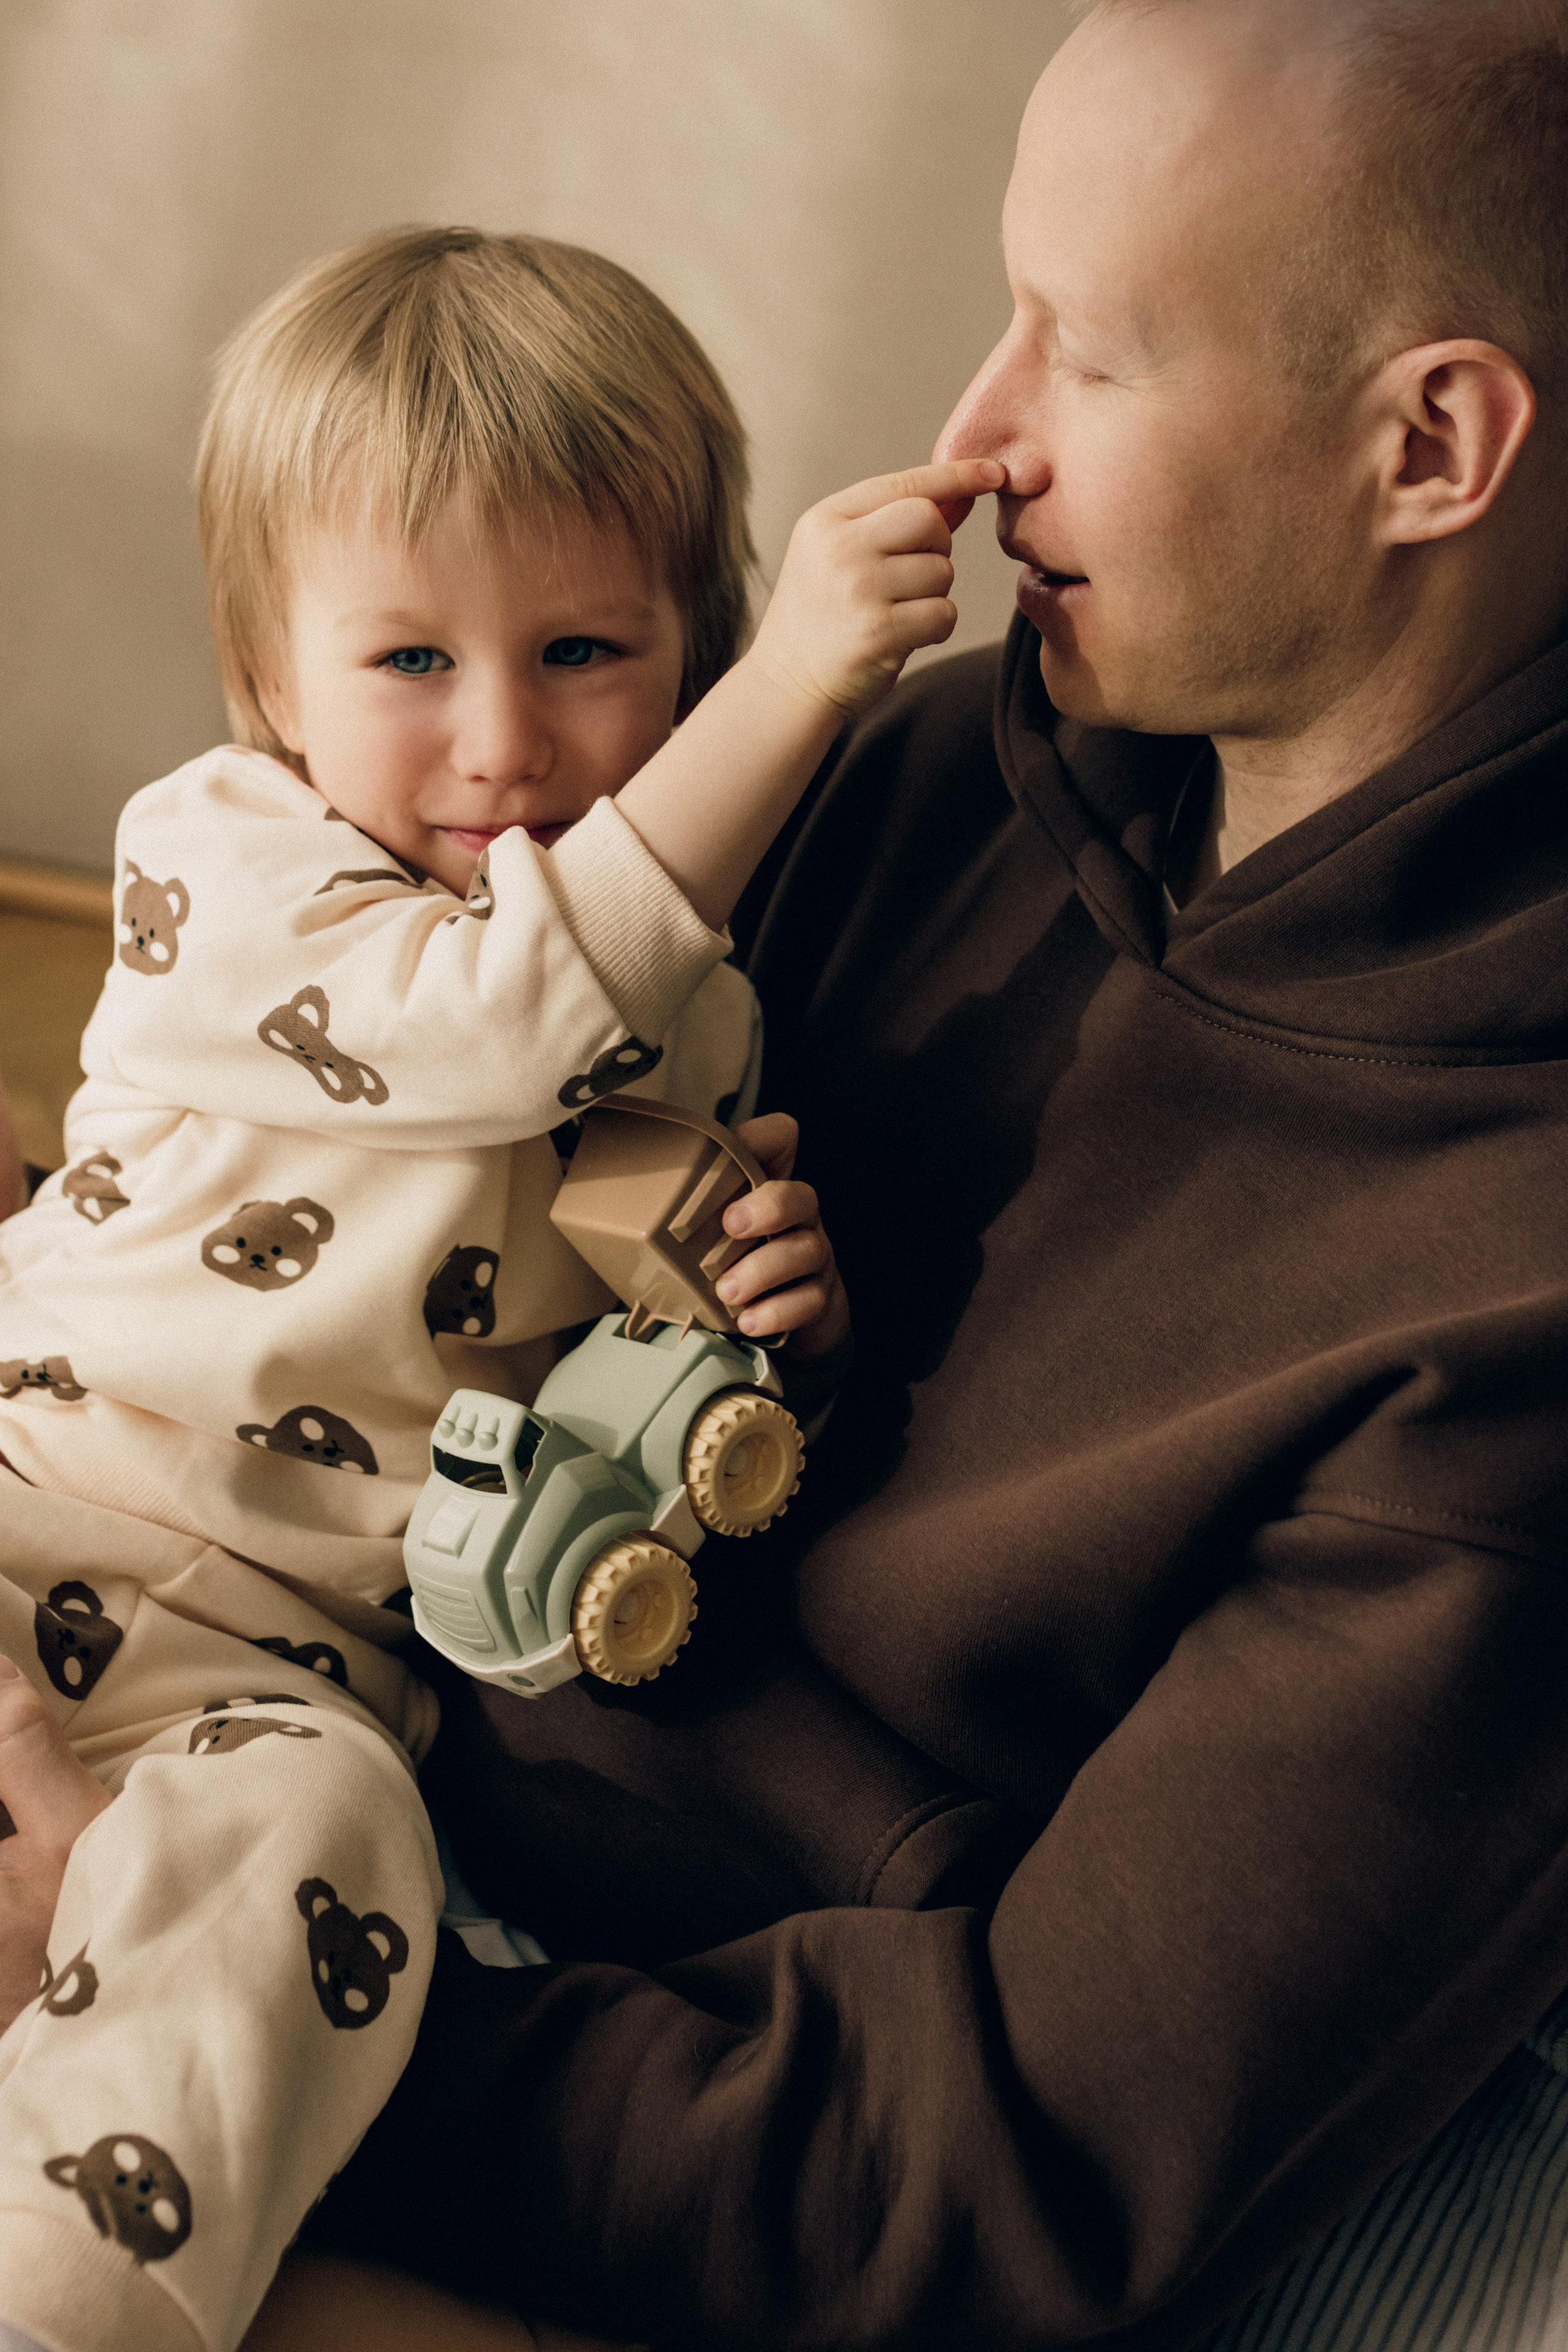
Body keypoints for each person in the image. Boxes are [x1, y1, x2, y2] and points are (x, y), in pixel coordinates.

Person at [227, 2, 1568, 2348]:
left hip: (559, 2117)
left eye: (1090, 351)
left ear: (1431, 443)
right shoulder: (936, 771)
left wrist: (223, 2009)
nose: (975, 439)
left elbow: (988, 2187)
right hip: (320, 1762)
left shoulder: (1509, 1315)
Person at [0, 220, 998, 2352]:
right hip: (32, 1489)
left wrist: (755, 1324)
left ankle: (73, 2285)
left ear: (682, 640)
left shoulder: (696, 1023)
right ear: (272, 687)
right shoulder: (232, 860)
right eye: (409, 663)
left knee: (323, 1870)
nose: (501, 749)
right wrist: (797, 687)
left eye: (583, 654)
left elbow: (572, 1458)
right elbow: (483, 1025)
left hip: (279, 1679)